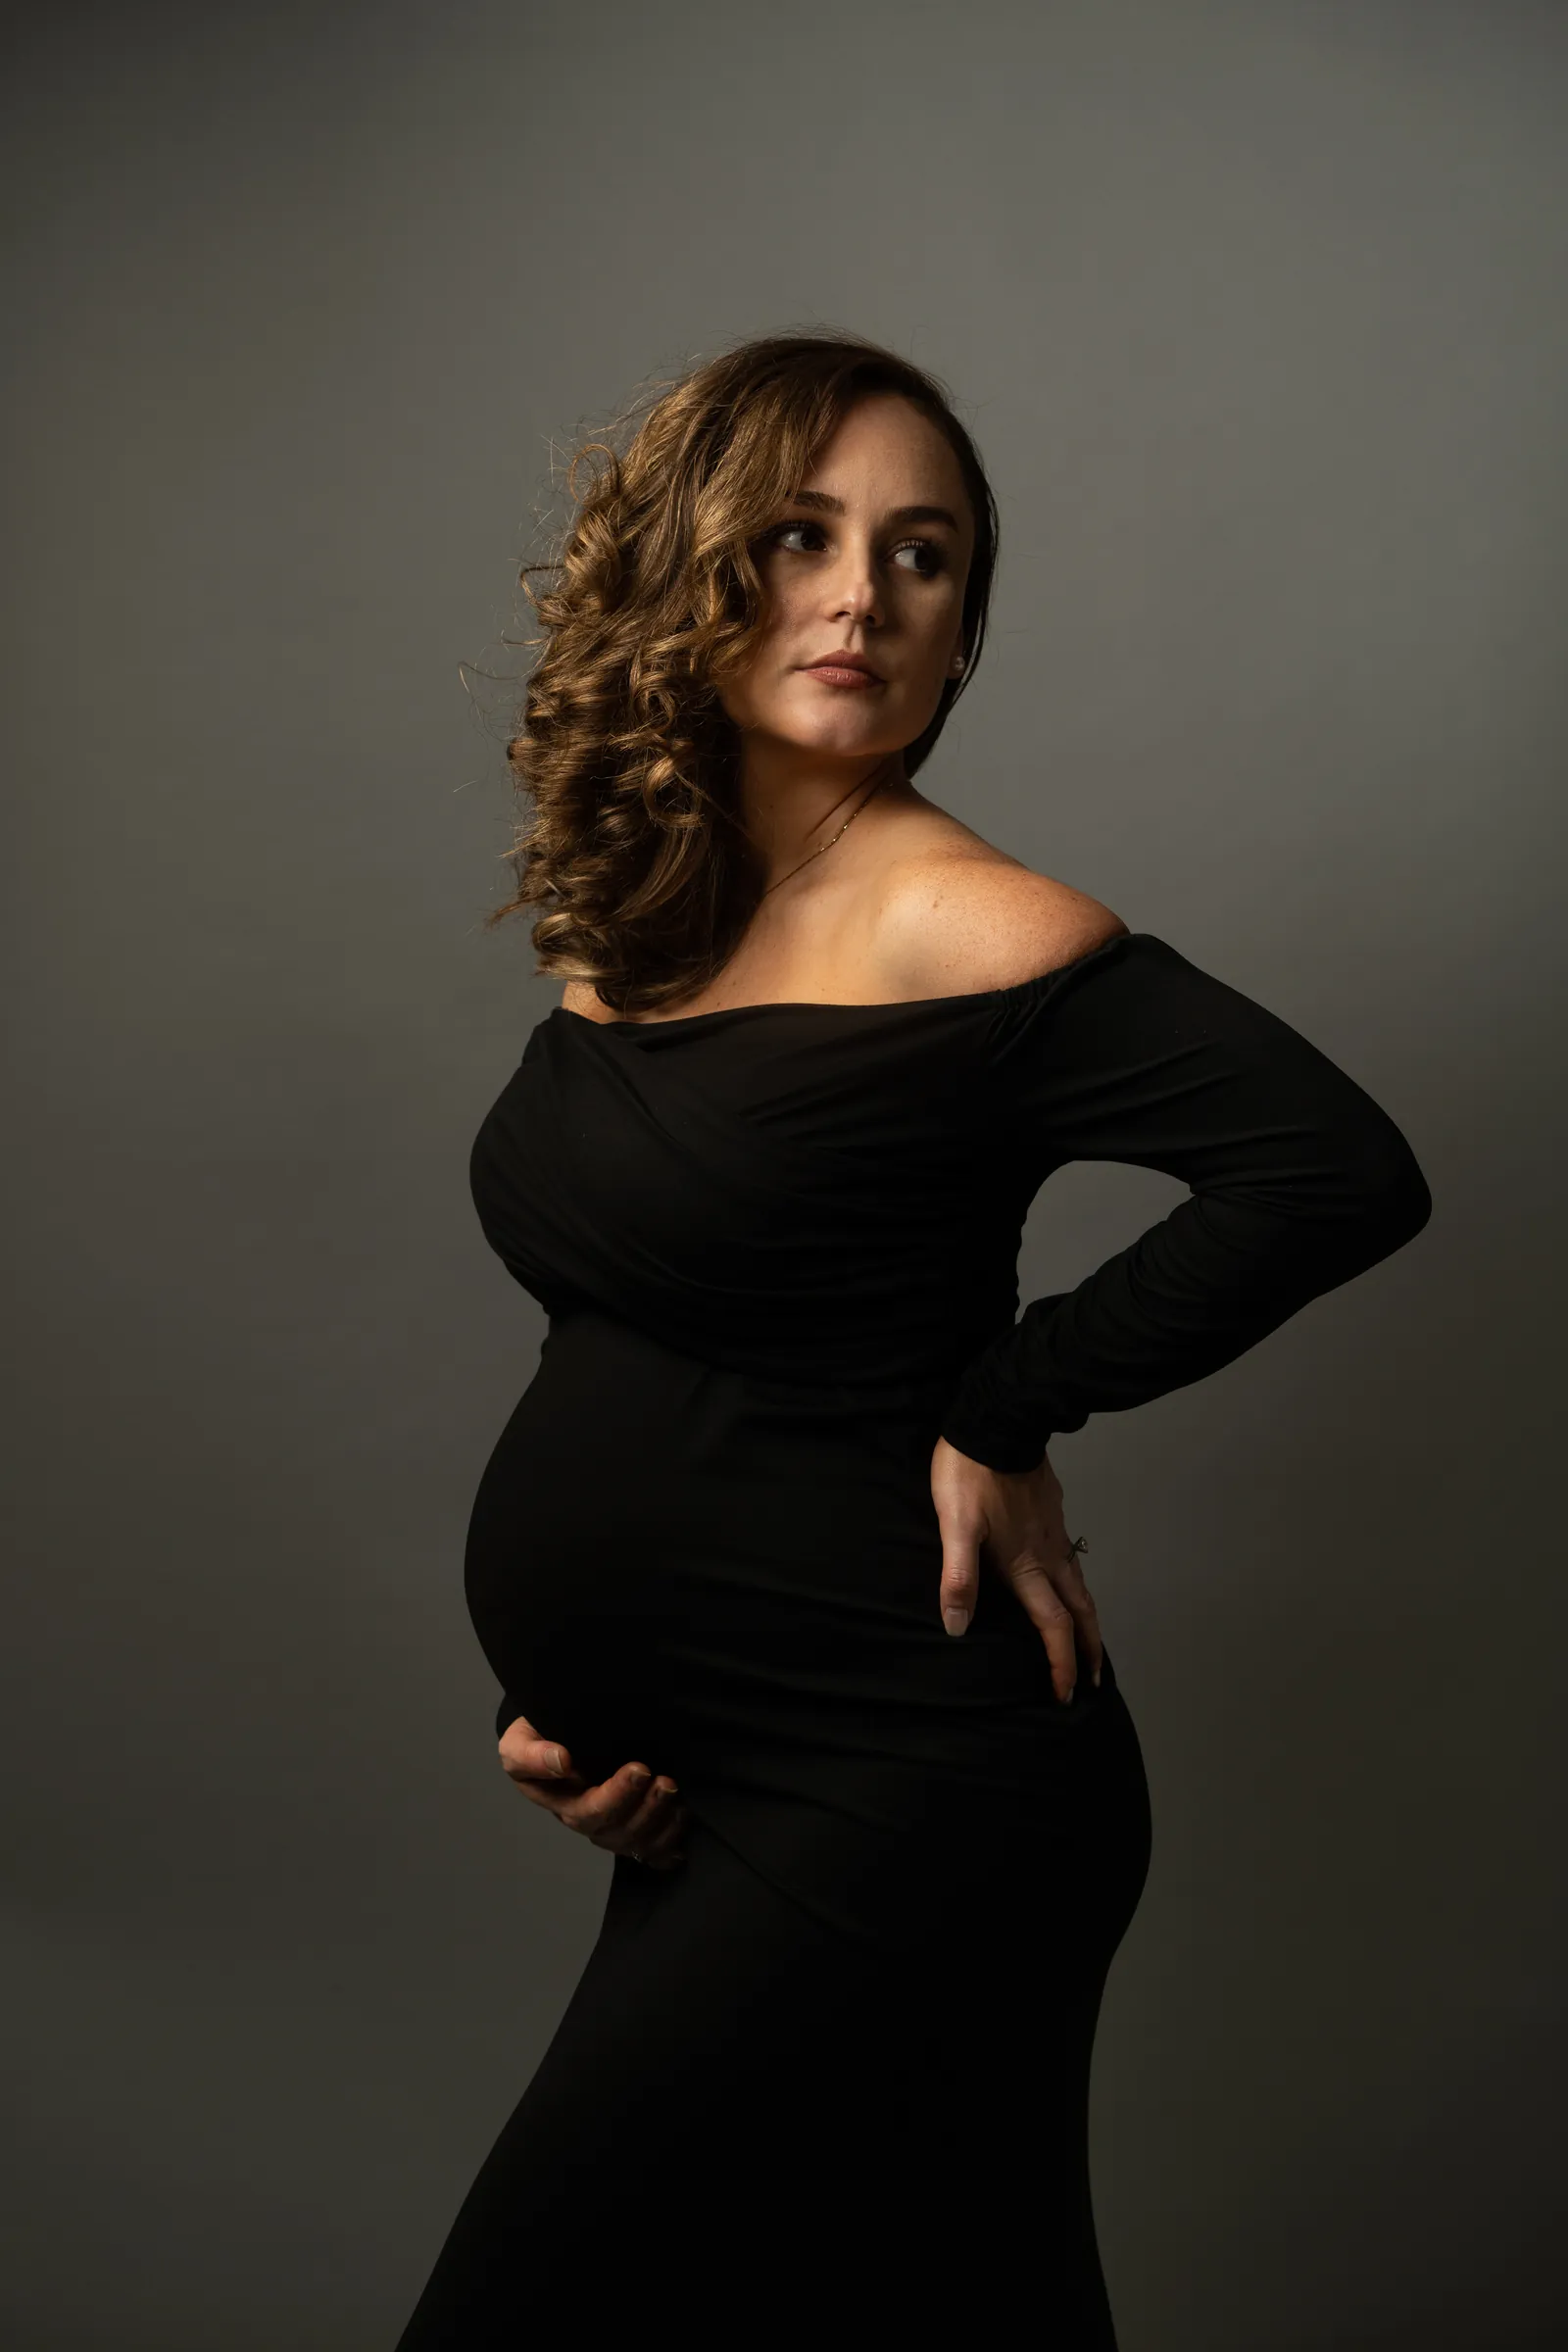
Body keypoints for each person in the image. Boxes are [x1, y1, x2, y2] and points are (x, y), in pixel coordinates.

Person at [394, 332, 1431, 2346]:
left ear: (961, 634)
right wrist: (576, 1694)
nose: (860, 594)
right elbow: (653, 1340)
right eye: (799, 536)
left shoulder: (960, 919)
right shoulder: (644, 926)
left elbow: (1333, 1171)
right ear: (693, 565)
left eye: (922, 554)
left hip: (903, 1780)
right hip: (716, 1785)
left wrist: (1008, 1398)